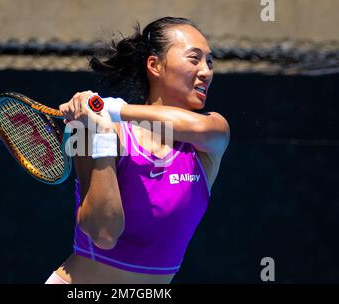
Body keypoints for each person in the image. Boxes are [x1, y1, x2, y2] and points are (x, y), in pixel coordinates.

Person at [46, 16, 230, 284]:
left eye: (209, 62)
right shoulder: (96, 132)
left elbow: (199, 128)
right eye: (194, 59)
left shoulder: (210, 132)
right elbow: (104, 234)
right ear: (155, 65)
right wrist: (104, 139)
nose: (206, 71)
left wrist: (111, 108)